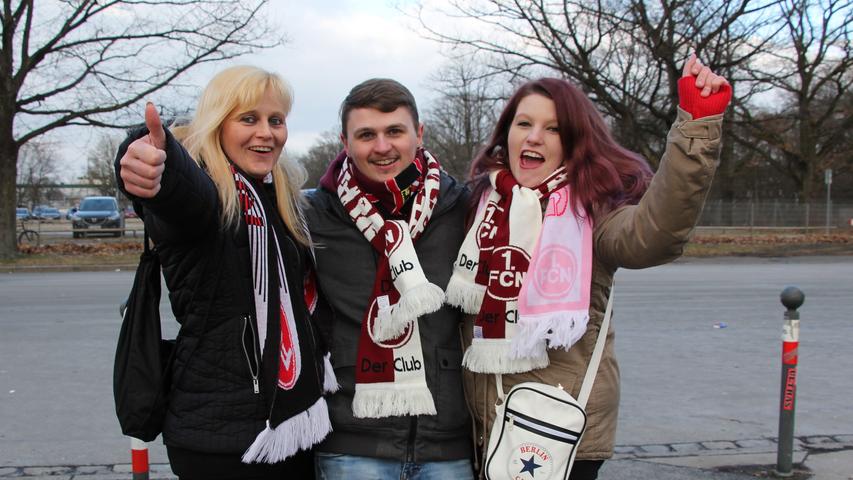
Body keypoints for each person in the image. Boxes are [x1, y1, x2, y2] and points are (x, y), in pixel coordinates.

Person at [446, 55, 732, 479]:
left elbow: (654, 235)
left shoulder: (590, 213)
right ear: (506, 133)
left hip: (555, 428)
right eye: (524, 124)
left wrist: (696, 129)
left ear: (575, 141)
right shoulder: (478, 206)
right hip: (484, 426)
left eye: (554, 128)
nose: (535, 137)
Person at [114, 66, 337, 480]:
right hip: (219, 438)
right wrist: (142, 153)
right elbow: (179, 190)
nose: (266, 133)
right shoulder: (208, 193)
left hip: (289, 426)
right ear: (218, 123)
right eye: (248, 119)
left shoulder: (275, 196)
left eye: (276, 120)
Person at [304, 79, 475, 479]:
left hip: (446, 441)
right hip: (352, 440)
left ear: (419, 133)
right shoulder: (313, 214)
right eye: (366, 135)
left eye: (394, 131)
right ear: (345, 142)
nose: (382, 147)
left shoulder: (463, 208)